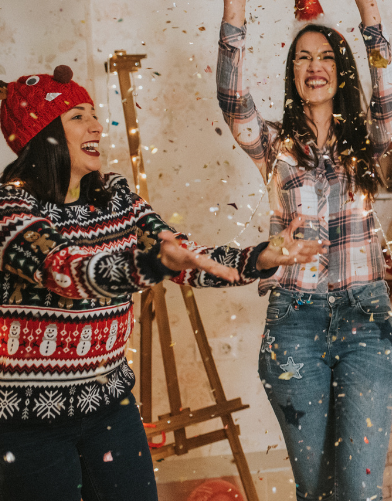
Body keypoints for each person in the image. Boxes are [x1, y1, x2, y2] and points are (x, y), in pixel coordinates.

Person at [0, 66, 320, 501]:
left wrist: (258, 256)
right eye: (77, 116)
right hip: (28, 423)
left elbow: (181, 253)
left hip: (109, 410)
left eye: (94, 113)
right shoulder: (10, 205)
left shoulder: (115, 195)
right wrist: (150, 264)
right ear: (42, 134)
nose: (96, 125)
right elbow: (67, 270)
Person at [214, 0, 392, 501]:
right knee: (315, 488)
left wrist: (368, 6)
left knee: (357, 489)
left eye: (325, 57)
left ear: (341, 69)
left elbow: (389, 97)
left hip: (366, 323)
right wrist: (235, 0)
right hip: (293, 323)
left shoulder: (370, 137)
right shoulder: (273, 144)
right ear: (292, 74)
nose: (314, 66)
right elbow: (232, 100)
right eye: (302, 58)